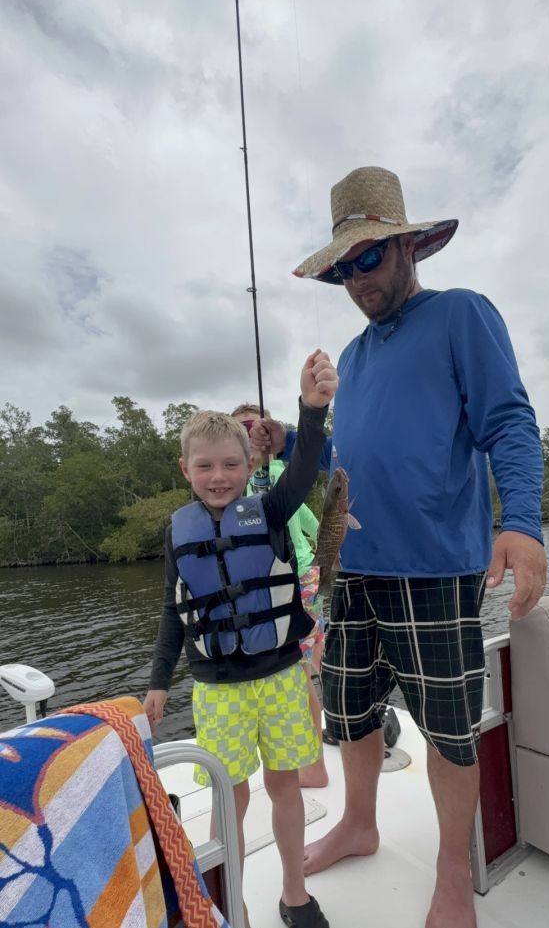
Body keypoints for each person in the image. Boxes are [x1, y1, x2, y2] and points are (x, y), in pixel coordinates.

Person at [250, 166, 547, 928]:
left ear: (408, 245)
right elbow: (351, 448)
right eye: (343, 267)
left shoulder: (460, 315)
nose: (355, 278)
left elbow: (508, 422)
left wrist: (521, 521)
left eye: (368, 257)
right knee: (348, 713)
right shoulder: (350, 358)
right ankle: (359, 821)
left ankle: (451, 870)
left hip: (436, 572)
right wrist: (285, 436)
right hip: (353, 570)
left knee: (447, 729)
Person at [143, 349, 337, 928]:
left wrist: (310, 409)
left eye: (231, 464)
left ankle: (294, 893)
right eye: (205, 467)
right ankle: (232, 900)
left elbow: (305, 465)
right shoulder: (178, 533)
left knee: (285, 787)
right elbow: (174, 614)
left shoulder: (272, 510)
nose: (219, 477)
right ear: (185, 469)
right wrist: (158, 685)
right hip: (218, 689)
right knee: (231, 796)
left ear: (249, 461)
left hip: (278, 676)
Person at [231, 403, 329, 788]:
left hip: (298, 578)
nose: (250, 434)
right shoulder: (235, 477)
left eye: (256, 426)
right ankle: (308, 757)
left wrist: (319, 563)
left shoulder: (276, 473)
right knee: (296, 673)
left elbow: (314, 523)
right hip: (271, 585)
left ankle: (316, 767)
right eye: (241, 429)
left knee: (300, 675)